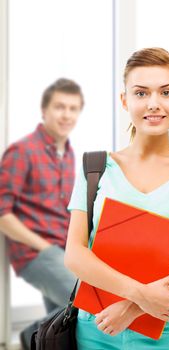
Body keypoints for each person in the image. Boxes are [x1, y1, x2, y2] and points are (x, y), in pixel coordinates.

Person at [65, 47, 169, 350]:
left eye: (166, 92)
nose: (154, 104)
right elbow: (75, 254)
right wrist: (139, 294)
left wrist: (131, 309)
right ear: (124, 100)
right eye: (141, 93)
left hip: (165, 332)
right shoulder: (96, 168)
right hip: (96, 327)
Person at [0, 78, 84, 349]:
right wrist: (46, 248)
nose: (66, 115)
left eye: (73, 108)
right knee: (87, 301)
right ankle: (31, 337)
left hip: (65, 249)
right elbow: (2, 214)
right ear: (44, 110)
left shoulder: (69, 155)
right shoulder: (22, 151)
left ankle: (36, 338)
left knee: (64, 327)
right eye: (60, 107)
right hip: (37, 253)